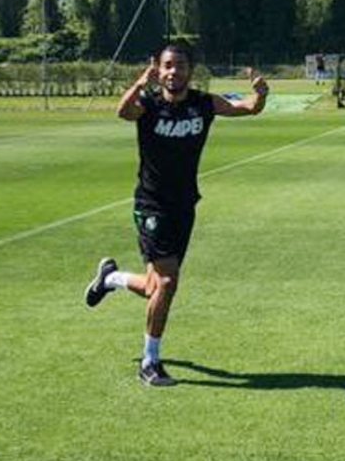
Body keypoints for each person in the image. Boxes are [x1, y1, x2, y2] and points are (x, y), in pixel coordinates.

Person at [84, 41, 269, 386]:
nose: (174, 72)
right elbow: (122, 112)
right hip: (151, 205)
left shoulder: (203, 104)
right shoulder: (149, 104)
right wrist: (141, 83)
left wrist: (261, 93)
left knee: (156, 285)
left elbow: (249, 108)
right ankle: (149, 362)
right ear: (158, 67)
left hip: (184, 205)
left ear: (190, 70)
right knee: (167, 282)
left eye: (180, 66)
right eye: (167, 65)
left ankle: (110, 278)